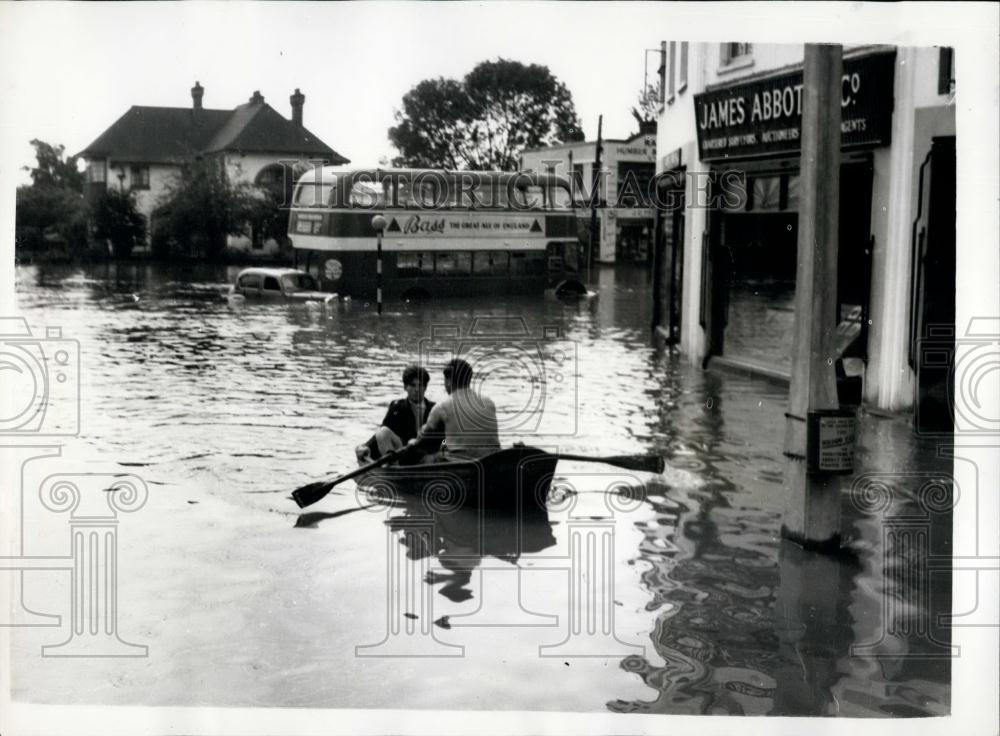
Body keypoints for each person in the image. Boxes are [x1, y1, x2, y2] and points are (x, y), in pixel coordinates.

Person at [408, 358, 500, 461]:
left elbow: (423, 438)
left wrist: (412, 442)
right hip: (492, 459)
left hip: (462, 461)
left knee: (426, 458)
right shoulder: (488, 402)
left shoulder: (442, 406)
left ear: (449, 381)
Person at [356, 365, 435, 464]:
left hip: (426, 456)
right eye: (413, 385)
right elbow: (382, 432)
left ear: (425, 388)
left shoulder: (435, 408)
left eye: (420, 385)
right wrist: (364, 446)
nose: (417, 389)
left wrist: (443, 453)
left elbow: (444, 438)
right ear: (405, 387)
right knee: (383, 432)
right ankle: (394, 470)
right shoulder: (397, 407)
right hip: (404, 453)